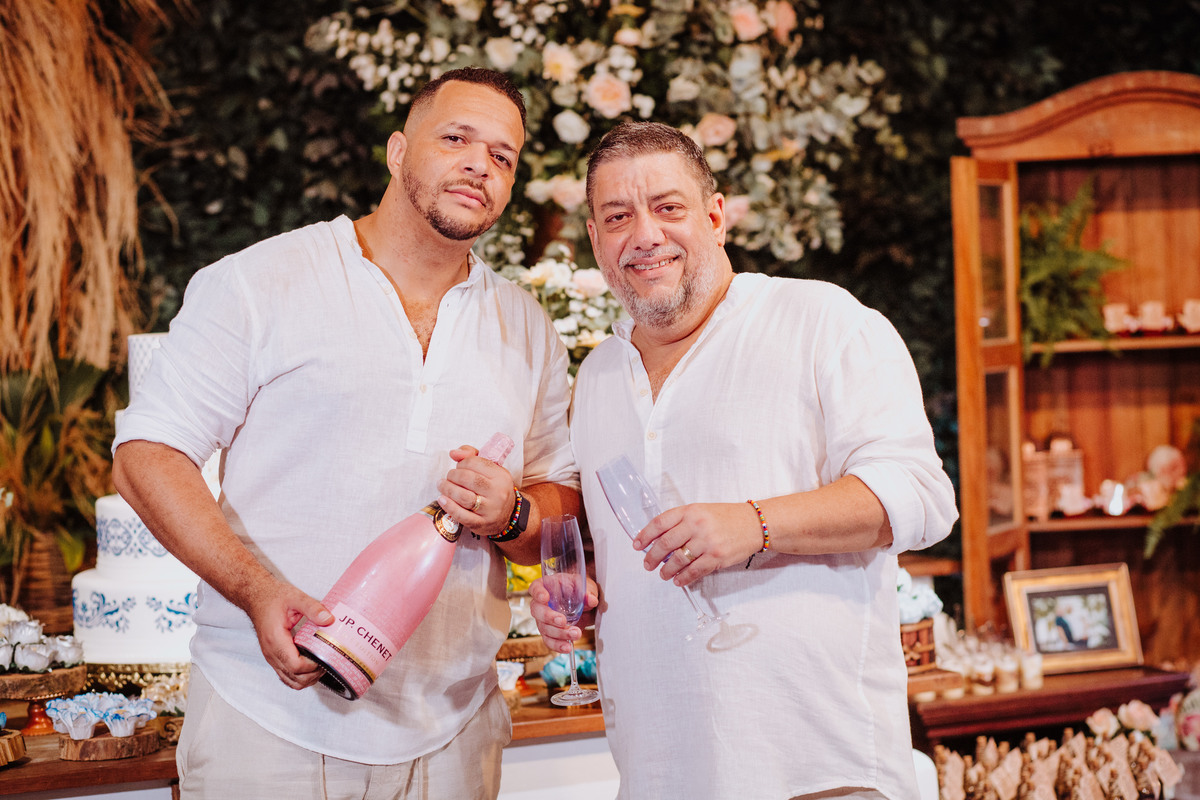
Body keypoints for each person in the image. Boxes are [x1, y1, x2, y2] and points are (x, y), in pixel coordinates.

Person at [112, 67, 580, 799]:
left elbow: (560, 508)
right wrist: (259, 592)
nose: (478, 165)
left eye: (502, 156)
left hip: (456, 734)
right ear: (397, 150)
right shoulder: (260, 284)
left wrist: (516, 512)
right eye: (456, 138)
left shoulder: (527, 327)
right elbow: (147, 455)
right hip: (269, 722)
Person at [531, 121, 958, 800]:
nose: (644, 234)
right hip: (659, 773)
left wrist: (754, 523)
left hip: (823, 770)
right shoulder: (599, 377)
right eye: (618, 216)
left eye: (668, 207)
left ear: (717, 216)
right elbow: (618, 549)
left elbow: (920, 496)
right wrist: (578, 598)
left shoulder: (821, 321)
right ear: (594, 239)